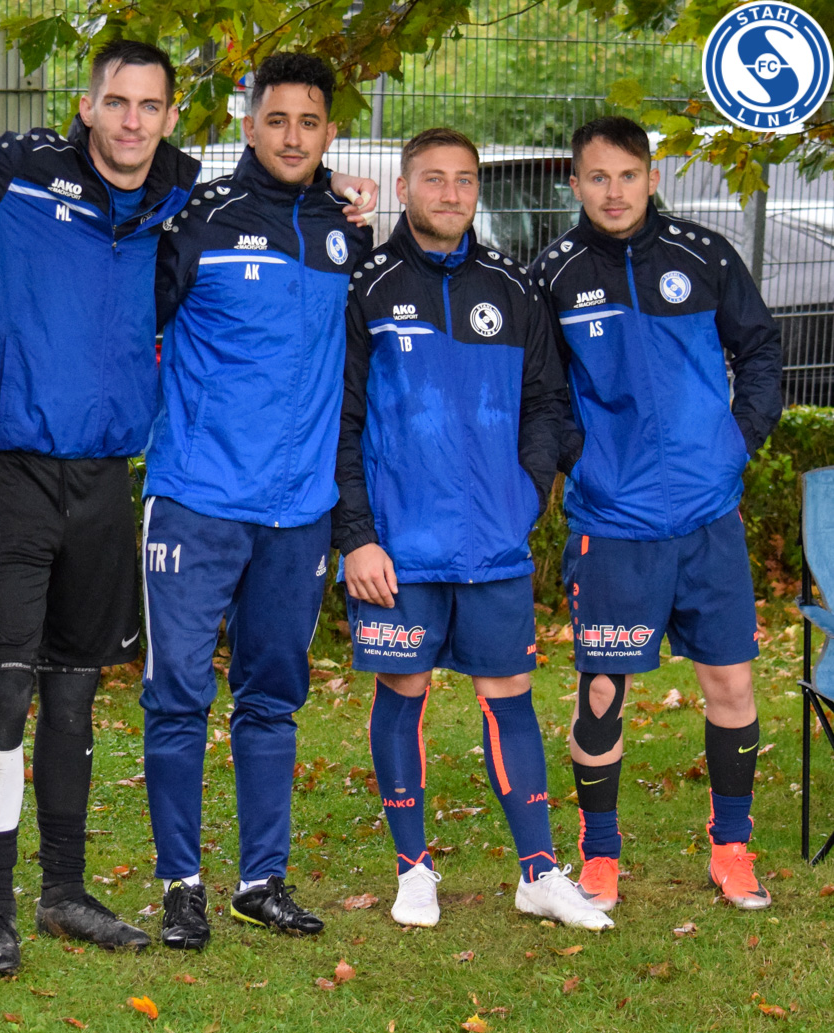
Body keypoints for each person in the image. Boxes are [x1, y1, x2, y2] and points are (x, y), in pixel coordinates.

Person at [0, 41, 376, 973]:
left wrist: (333, 185)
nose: (132, 121)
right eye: (117, 102)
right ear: (87, 105)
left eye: (150, 106)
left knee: (74, 690)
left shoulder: (179, 196)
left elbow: (268, 187)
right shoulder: (16, 169)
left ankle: (62, 890)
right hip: (9, 469)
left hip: (105, 478)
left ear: (171, 119)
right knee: (6, 685)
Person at [338, 127, 612, 932]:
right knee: (404, 695)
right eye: (434, 179)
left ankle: (539, 873)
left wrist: (526, 493)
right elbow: (340, 422)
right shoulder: (367, 288)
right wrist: (357, 536)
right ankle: (412, 870)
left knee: (510, 699)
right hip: (398, 548)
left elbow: (548, 406)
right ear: (403, 188)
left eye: (463, 180)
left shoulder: (514, 287)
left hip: (494, 541)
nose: (451, 193)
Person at [141, 52, 370, 951]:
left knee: (272, 698)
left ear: (329, 132)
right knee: (177, 695)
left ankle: (260, 881)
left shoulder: (343, 228)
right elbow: (134, 330)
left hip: (299, 510)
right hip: (197, 500)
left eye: (309, 123)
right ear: (249, 124)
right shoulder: (199, 220)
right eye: (277, 120)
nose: (292, 137)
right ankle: (180, 886)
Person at [531, 116, 783, 913]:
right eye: (597, 177)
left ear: (652, 177)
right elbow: (539, 393)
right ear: (575, 183)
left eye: (628, 175)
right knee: (602, 694)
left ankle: (732, 849)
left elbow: (761, 350)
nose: (614, 192)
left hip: (709, 515)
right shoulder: (554, 275)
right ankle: (600, 857)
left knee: (731, 682)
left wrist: (735, 444)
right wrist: (583, 460)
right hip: (614, 522)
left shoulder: (703, 256)